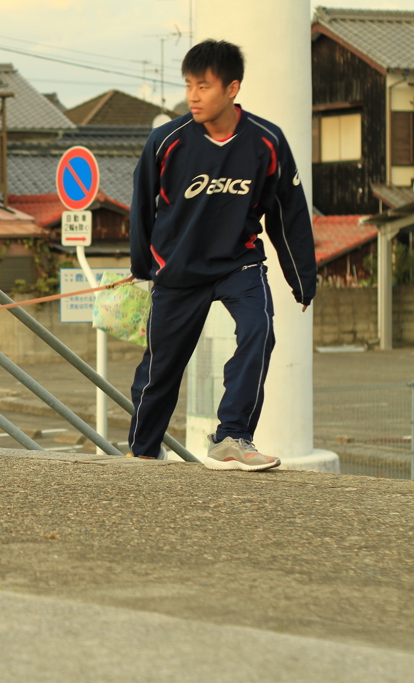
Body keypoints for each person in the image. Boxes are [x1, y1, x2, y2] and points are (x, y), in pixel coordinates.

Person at [127, 39, 316, 471]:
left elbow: (287, 213)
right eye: (189, 85)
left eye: (204, 86)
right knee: (159, 372)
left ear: (232, 88)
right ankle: (141, 450)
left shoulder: (266, 142)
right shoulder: (165, 142)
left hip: (239, 262)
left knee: (258, 331)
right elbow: (141, 208)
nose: (193, 95)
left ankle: (233, 434)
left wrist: (302, 279)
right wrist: (143, 267)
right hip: (178, 269)